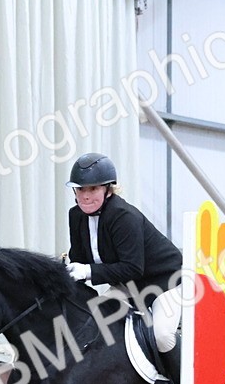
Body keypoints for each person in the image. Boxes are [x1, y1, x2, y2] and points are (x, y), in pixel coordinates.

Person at [64, 152, 182, 358]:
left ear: (108, 189)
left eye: (93, 188)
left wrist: (87, 271)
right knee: (92, 325)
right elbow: (79, 259)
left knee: (162, 336)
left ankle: (180, 378)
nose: (86, 195)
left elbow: (133, 267)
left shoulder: (124, 216)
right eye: (81, 189)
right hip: (127, 286)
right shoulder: (76, 216)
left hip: (164, 282)